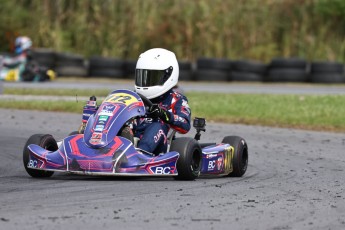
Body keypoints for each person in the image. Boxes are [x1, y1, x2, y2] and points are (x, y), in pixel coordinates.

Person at [133, 48, 191, 155]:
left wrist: (164, 114)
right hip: (132, 138)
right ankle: (100, 150)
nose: (147, 82)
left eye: (153, 77)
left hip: (160, 147)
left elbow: (185, 124)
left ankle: (140, 155)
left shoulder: (176, 99)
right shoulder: (133, 97)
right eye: (144, 76)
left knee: (157, 126)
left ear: (168, 76)